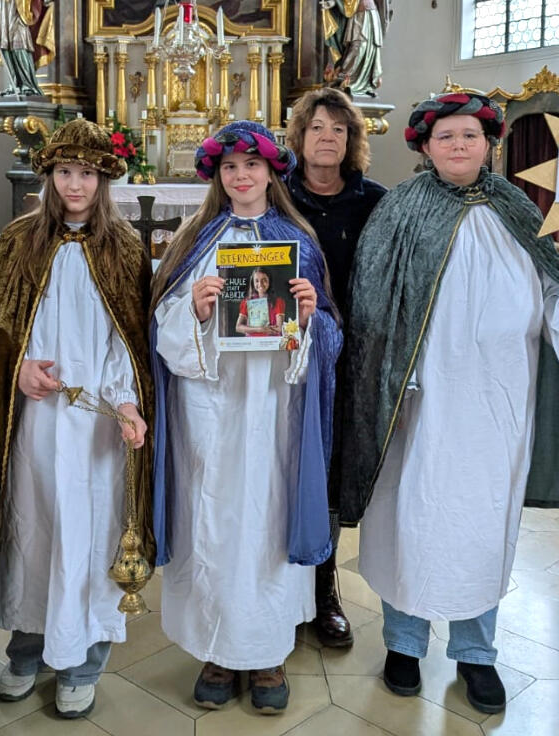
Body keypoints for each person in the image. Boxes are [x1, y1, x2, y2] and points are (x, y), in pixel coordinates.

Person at [339, 92, 559, 714]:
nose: (459, 146)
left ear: (489, 142)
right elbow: (372, 309)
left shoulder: (517, 209)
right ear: (425, 146)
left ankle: (476, 654)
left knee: (482, 526)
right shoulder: (400, 211)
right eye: (446, 137)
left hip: (496, 403)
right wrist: (390, 379)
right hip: (417, 405)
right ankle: (404, 644)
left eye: (470, 135)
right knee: (406, 522)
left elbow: (554, 294)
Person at [150, 121, 342, 714]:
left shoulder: (299, 240)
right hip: (209, 407)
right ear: (217, 175)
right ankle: (215, 650)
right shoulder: (194, 239)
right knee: (211, 520)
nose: (241, 176)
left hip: (273, 408)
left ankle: (265, 654)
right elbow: (161, 323)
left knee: (265, 520)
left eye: (251, 166)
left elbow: (334, 334)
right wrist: (195, 308)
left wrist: (310, 317)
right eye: (230, 167)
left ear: (270, 172)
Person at [0, 119, 154, 719]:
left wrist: (126, 399)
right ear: (50, 177)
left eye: (88, 174)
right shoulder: (17, 240)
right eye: (65, 172)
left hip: (96, 421)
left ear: (104, 180)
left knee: (93, 533)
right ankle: (26, 650)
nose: (76, 184)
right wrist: (17, 369)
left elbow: (130, 337)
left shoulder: (124, 247)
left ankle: (83, 662)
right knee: (37, 527)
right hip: (36, 421)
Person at [285, 85, 386, 649]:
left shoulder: (374, 200)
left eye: (339, 129)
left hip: (352, 357)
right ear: (299, 138)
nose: (327, 138)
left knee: (330, 468)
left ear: (352, 140)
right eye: (317, 127)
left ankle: (324, 591)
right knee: (288, 465)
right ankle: (285, 590)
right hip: (287, 356)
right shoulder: (276, 196)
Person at [0, 0, 56, 97]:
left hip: (20, 9)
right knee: (5, 49)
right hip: (2, 7)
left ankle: (28, 84)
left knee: (19, 47)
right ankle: (15, 84)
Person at [319, 0, 391, 97]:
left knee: (369, 49)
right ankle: (345, 80)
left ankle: (365, 85)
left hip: (371, 15)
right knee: (357, 47)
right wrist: (335, 3)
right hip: (359, 15)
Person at [235, 267, 286, 336]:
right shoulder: (246, 302)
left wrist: (249, 329)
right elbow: (238, 327)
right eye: (256, 281)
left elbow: (279, 328)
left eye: (264, 280)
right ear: (252, 282)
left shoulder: (278, 302)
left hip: (271, 343)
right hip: (251, 343)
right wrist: (259, 329)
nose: (260, 284)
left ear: (269, 281)